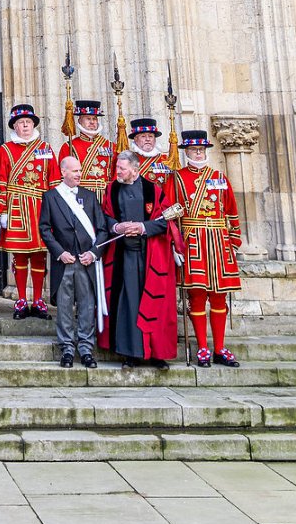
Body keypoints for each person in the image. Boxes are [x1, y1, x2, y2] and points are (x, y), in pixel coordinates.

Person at [99, 148, 178, 368]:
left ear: (135, 169)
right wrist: (117, 226)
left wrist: (142, 227)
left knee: (155, 303)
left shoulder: (154, 190)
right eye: (117, 168)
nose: (117, 172)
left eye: (122, 169)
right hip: (124, 257)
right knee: (129, 303)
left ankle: (157, 354)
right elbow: (104, 218)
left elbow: (167, 220)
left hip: (151, 255)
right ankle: (131, 353)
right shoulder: (111, 190)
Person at [172, 127, 242, 368]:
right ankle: (202, 346)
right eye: (193, 150)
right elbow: (171, 215)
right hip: (194, 240)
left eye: (201, 150)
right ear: (186, 151)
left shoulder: (220, 178)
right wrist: (174, 245)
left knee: (219, 296)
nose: (198, 154)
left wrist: (234, 240)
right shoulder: (178, 178)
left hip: (218, 241)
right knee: (197, 295)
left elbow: (231, 210)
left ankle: (220, 347)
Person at [39, 153, 110, 369]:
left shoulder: (89, 197)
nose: (79, 174)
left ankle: (86, 349)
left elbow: (102, 229)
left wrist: (94, 253)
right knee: (64, 305)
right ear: (64, 172)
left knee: (87, 305)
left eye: (80, 170)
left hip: (86, 260)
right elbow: (45, 228)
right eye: (75, 170)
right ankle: (67, 348)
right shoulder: (51, 197)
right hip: (64, 261)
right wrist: (59, 252)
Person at [0, 104, 60, 320]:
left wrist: (56, 211)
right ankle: (22, 299)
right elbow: (0, 182)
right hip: (16, 207)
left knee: (41, 255)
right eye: (21, 123)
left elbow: (54, 181)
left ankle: (39, 300)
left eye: (28, 122)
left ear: (34, 124)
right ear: (14, 125)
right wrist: (1, 210)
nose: (25, 126)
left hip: (41, 206)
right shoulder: (5, 150)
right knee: (20, 256)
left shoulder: (45, 148)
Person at [61, 100, 113, 200]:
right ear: (80, 121)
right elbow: (63, 176)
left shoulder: (111, 146)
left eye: (94, 118)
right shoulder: (69, 147)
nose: (92, 122)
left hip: (106, 196)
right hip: (79, 195)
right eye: (88, 119)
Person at [130, 117, 176, 202]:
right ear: (135, 139)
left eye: (150, 136)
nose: (147, 139)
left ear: (155, 139)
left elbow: (172, 190)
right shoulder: (128, 160)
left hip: (160, 207)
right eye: (143, 136)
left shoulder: (166, 161)